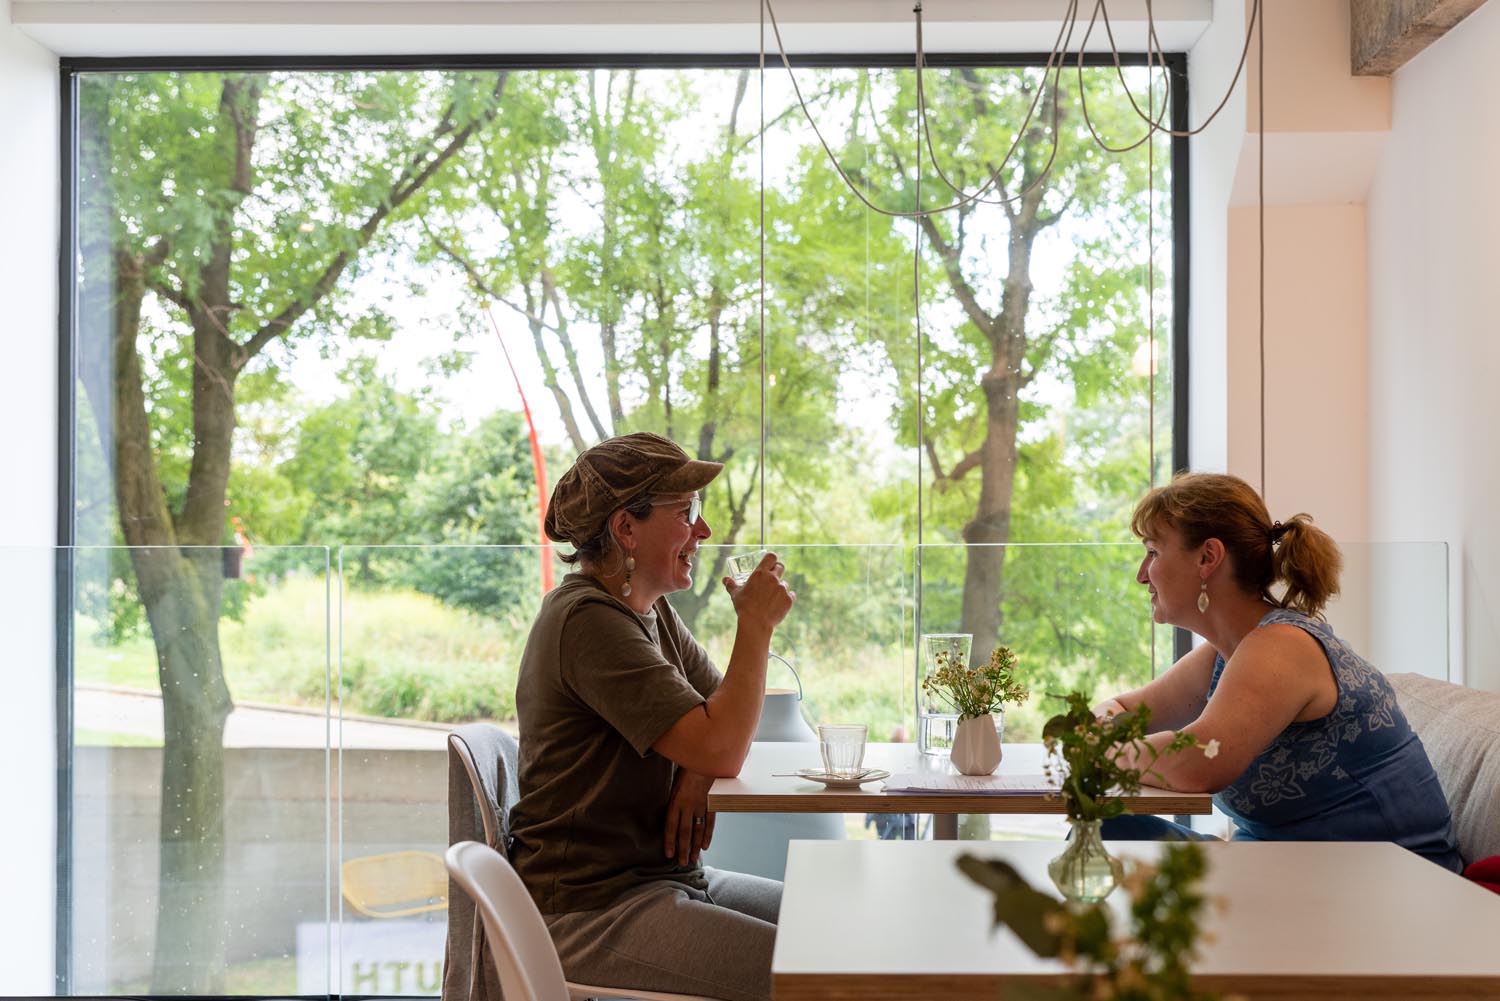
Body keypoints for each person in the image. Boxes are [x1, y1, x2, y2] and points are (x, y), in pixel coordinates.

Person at [506, 431, 796, 1001]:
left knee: (836, 937)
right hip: (592, 910)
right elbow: (724, 744)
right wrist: (756, 626)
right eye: (686, 512)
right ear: (626, 528)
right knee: (822, 976)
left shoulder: (646, 608)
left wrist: (694, 771)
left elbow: (725, 719)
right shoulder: (588, 622)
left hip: (661, 880)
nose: (703, 530)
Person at [1094, 472, 1461, 872]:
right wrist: (1096, 731)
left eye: (1153, 552)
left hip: (1387, 881)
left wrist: (1103, 751)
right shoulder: (1224, 654)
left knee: (1112, 838)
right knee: (1109, 827)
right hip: (1295, 867)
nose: (1142, 574)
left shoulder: (1282, 647)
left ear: (1207, 558)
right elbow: (1122, 709)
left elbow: (1199, 762)